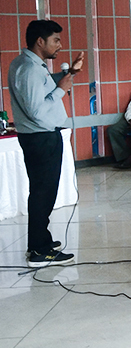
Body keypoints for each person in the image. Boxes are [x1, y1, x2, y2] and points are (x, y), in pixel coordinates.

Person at [8, 20, 84, 267]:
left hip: (41, 137)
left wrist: (68, 74)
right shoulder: (28, 69)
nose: (60, 46)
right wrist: (62, 88)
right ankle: (39, 250)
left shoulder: (29, 64)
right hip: (40, 137)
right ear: (40, 41)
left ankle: (42, 240)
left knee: (44, 192)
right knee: (43, 193)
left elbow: (42, 87)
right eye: (56, 40)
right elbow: (36, 111)